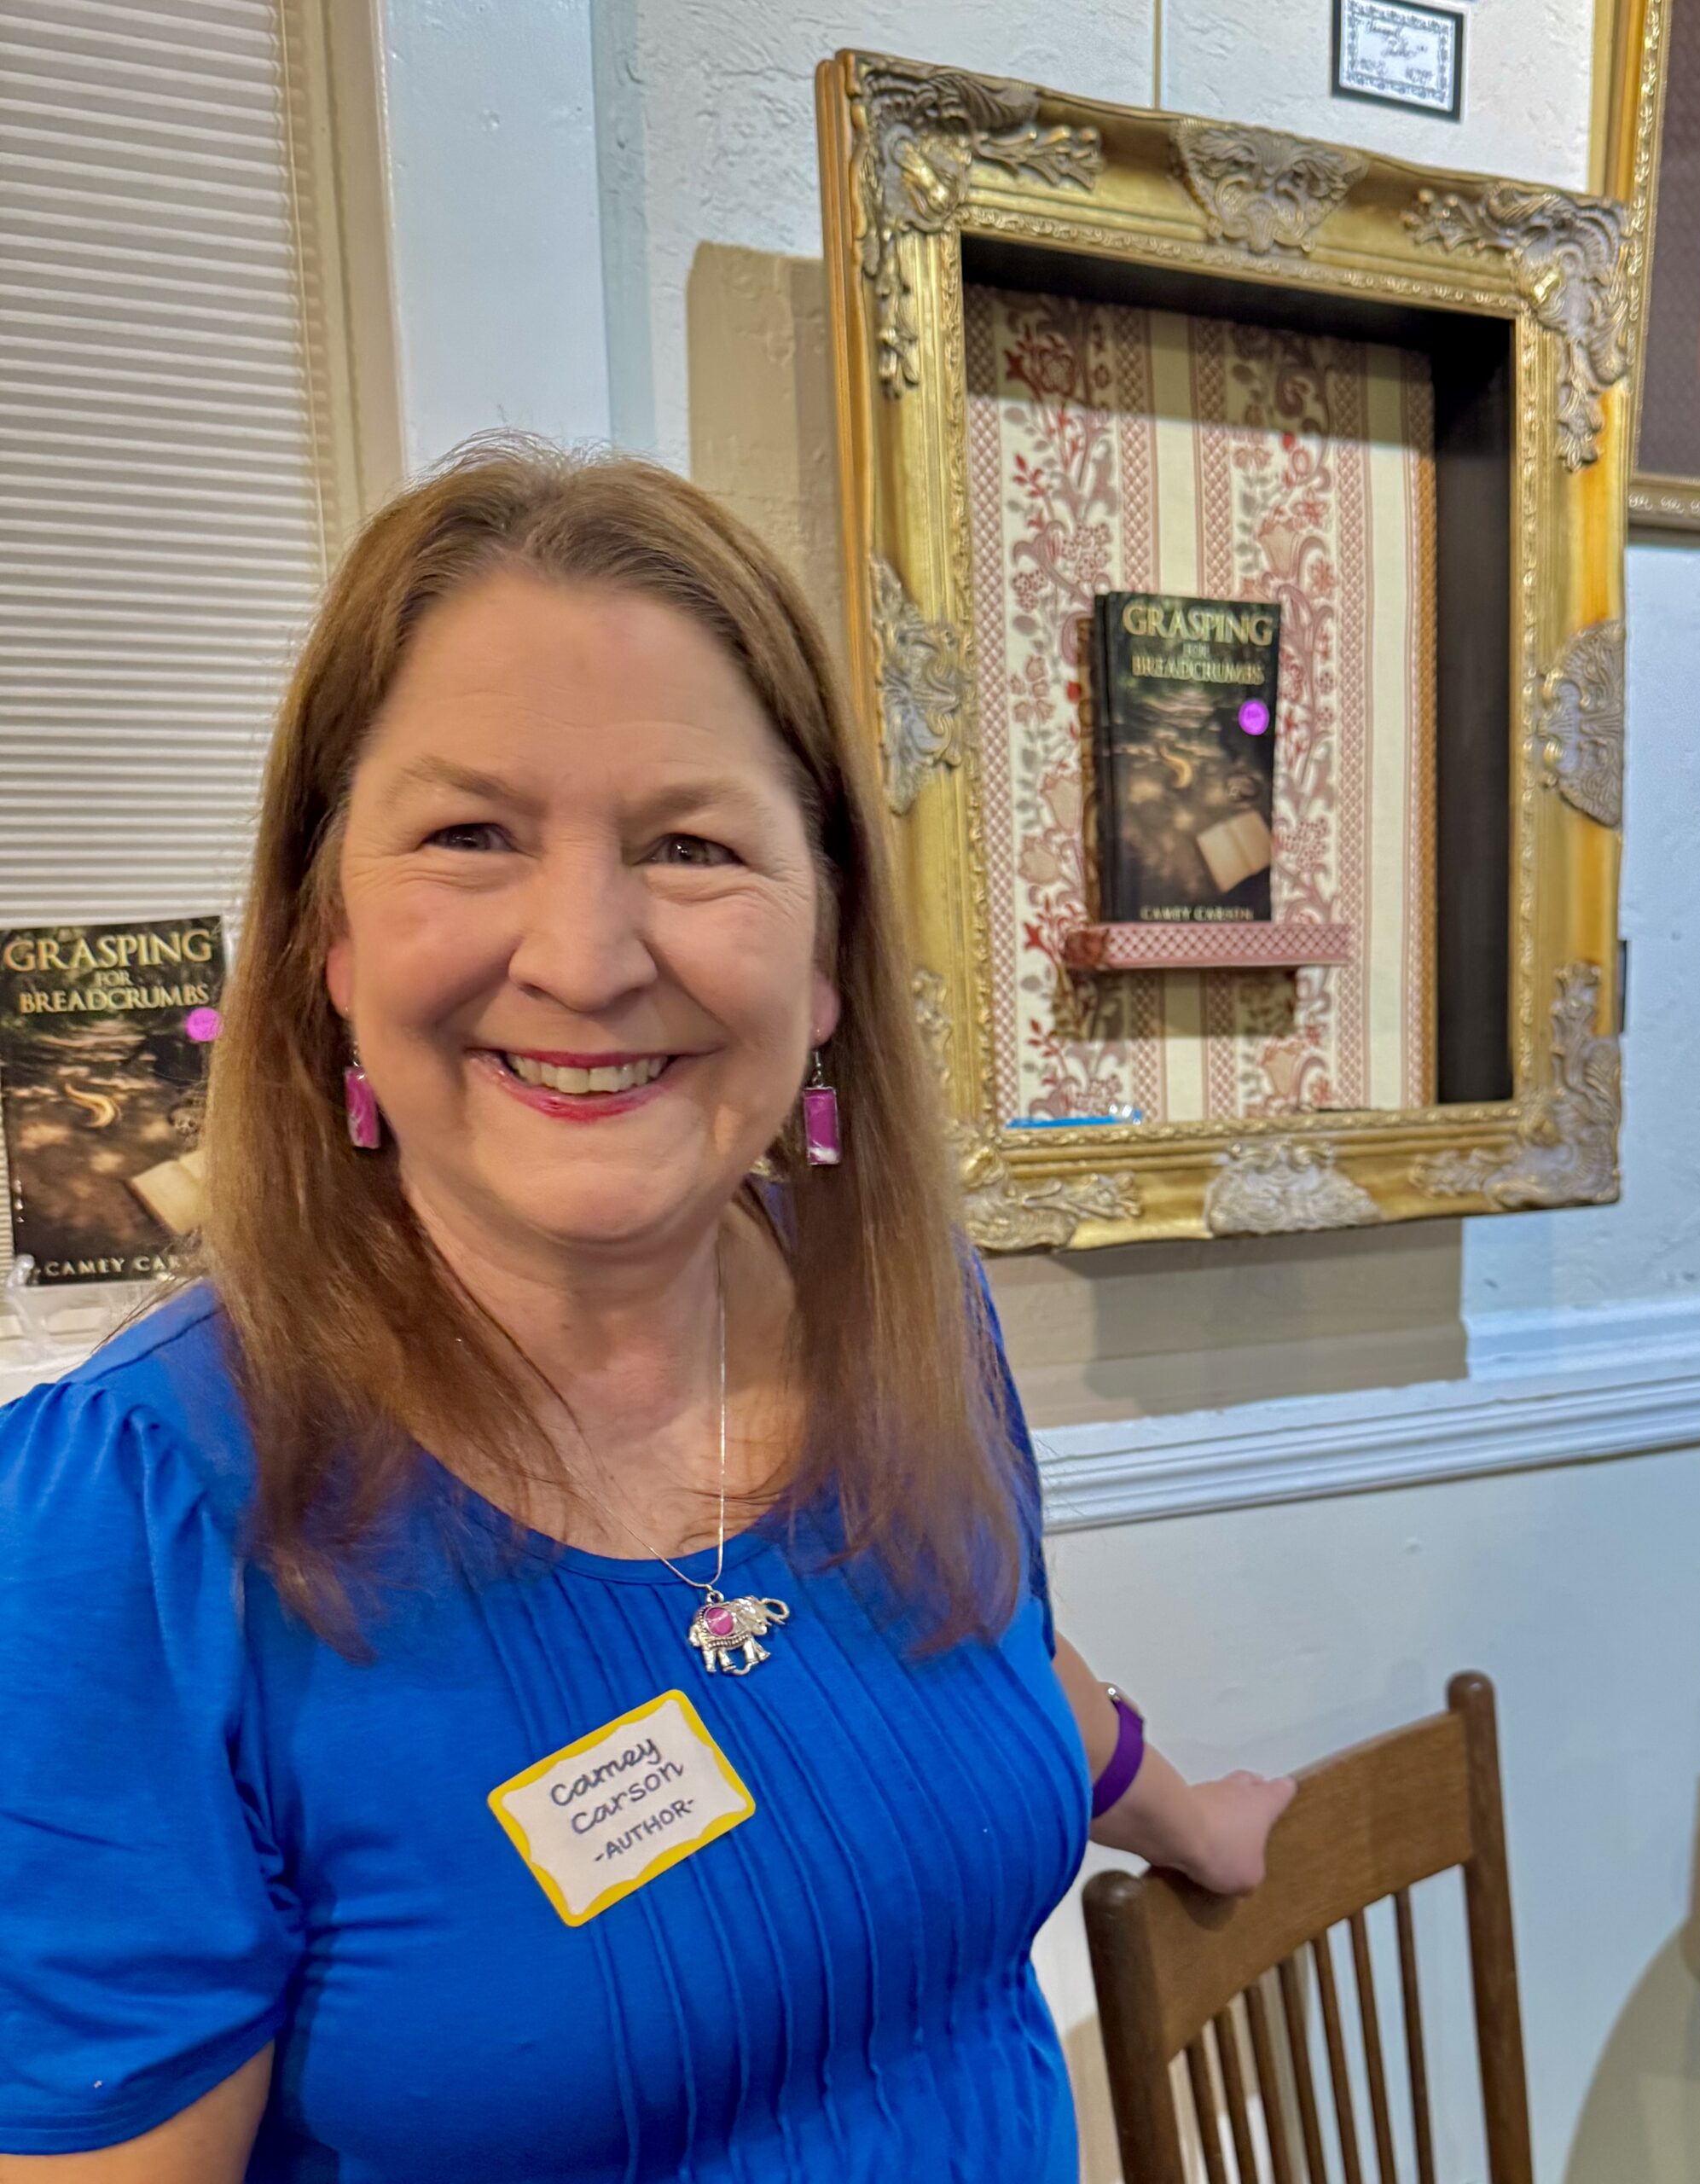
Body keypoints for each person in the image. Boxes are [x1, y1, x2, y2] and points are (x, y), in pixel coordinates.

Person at [0, 443, 1295, 2182]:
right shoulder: (139, 1513)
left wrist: (1176, 1802)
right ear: (325, 940)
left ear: (826, 946)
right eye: (471, 834)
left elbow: (975, 1633)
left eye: (691, 843)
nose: (589, 955)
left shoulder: (901, 1311)